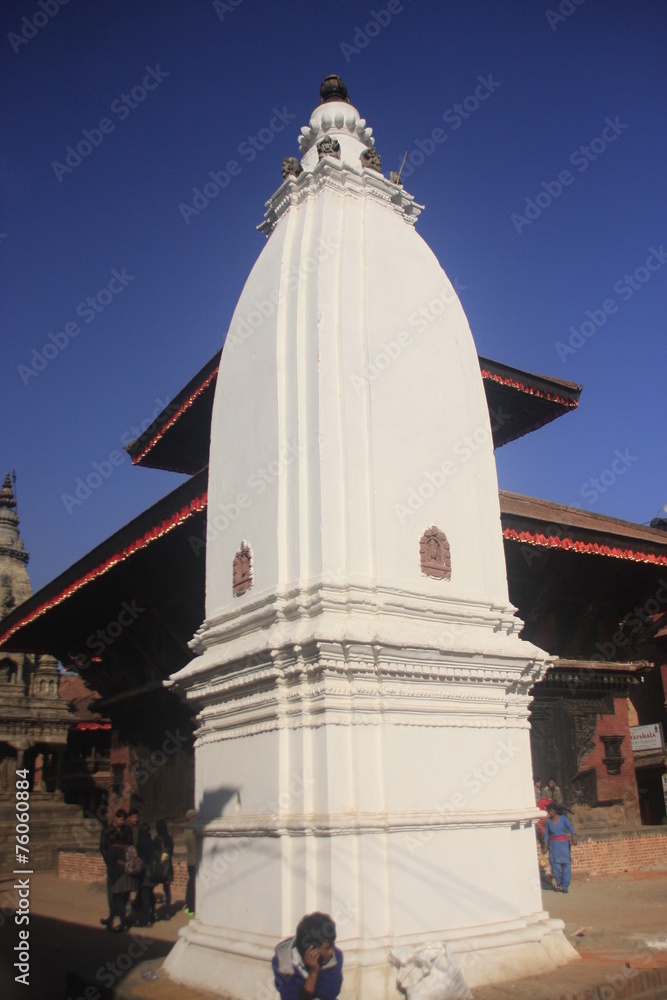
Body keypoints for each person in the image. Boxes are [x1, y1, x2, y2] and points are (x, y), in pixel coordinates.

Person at [273, 912, 343, 1000]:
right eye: (327, 948)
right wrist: (313, 974)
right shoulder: (283, 963)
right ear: (311, 949)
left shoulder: (335, 958)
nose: (331, 951)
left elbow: (328, 994)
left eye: (332, 945)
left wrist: (314, 973)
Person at [543, 803, 577, 893]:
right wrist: (545, 845)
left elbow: (570, 827)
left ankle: (565, 886)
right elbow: (546, 834)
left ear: (555, 811)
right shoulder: (548, 822)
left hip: (564, 845)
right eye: (548, 811)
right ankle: (559, 883)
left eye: (550, 810)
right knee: (555, 867)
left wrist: (574, 835)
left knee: (566, 866)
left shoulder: (563, 818)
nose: (549, 812)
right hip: (554, 846)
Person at [136, 822, 157, 926]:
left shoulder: (140, 842)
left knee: (145, 895)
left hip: (144, 872)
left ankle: (148, 919)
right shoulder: (152, 842)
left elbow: (138, 857)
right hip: (152, 871)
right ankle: (153, 913)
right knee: (150, 893)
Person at [154, 818, 174, 920]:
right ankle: (166, 912)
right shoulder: (169, 839)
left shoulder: (156, 839)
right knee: (167, 891)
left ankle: (154, 912)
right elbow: (170, 853)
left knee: (151, 889)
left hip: (157, 867)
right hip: (167, 867)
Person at [184, 808, 197, 916]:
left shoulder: (186, 830)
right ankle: (191, 907)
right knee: (193, 885)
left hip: (190, 861)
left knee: (191, 883)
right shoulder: (193, 831)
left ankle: (189, 905)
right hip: (195, 861)